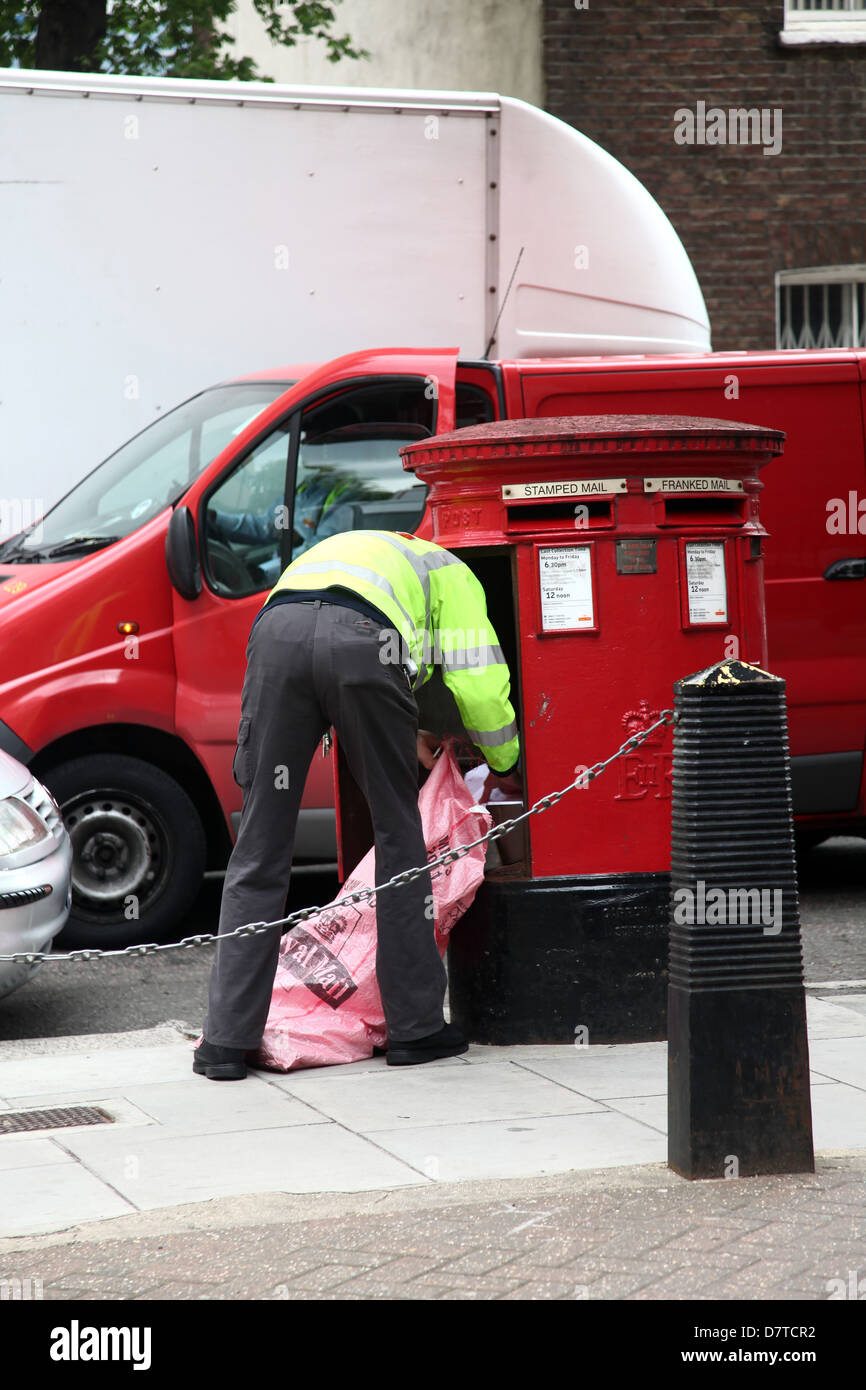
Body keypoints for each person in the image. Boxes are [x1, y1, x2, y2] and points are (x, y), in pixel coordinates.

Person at [195, 528, 521, 1080]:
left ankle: (225, 1043)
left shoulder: (349, 548)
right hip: (365, 643)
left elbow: (322, 631)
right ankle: (416, 1030)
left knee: (258, 846)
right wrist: (508, 763)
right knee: (400, 837)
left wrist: (412, 719)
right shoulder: (455, 574)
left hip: (278, 636)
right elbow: (481, 691)